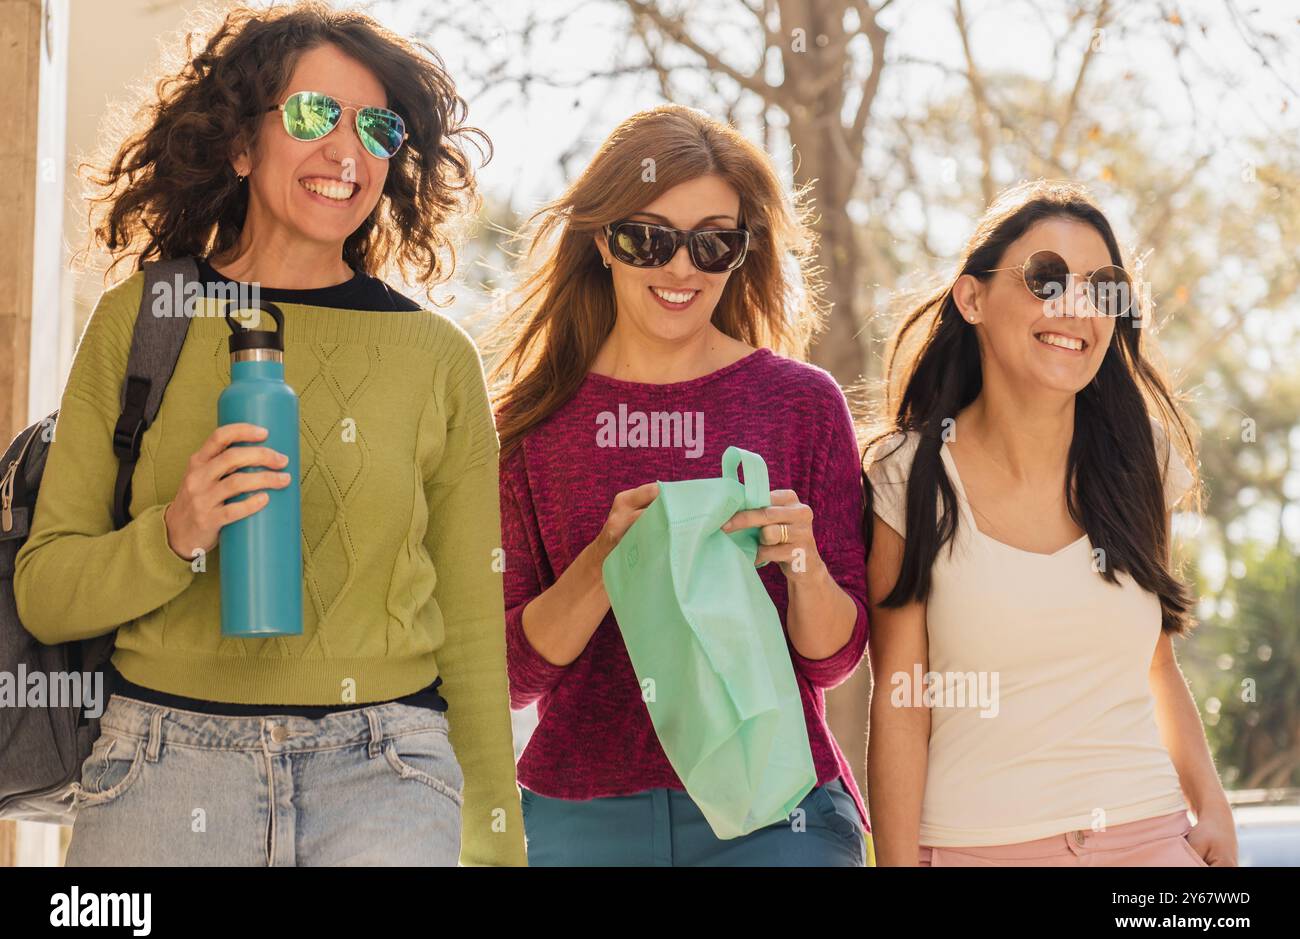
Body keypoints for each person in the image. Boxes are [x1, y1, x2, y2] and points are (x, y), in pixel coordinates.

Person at [14, 2, 524, 866]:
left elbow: (472, 633)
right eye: (313, 114)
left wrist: (499, 849)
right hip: (160, 770)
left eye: (377, 126)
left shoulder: (436, 356)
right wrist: (174, 537)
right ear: (242, 145)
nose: (346, 150)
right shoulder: (143, 317)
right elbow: (47, 592)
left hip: (387, 776)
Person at [487, 104, 870, 866]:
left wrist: (804, 564)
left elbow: (833, 659)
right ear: (604, 241)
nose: (682, 267)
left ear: (741, 252)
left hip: (777, 807)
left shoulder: (803, 403)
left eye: (713, 243)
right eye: (648, 238)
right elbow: (509, 675)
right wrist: (604, 562)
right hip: (580, 816)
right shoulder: (532, 425)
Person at [863, 179, 1237, 867]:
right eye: (1045, 278)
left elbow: (1156, 662)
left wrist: (1211, 805)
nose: (1076, 306)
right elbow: (900, 707)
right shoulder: (907, 475)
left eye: (1102, 287)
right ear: (971, 298)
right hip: (977, 848)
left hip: (1151, 841)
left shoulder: (1139, 457)